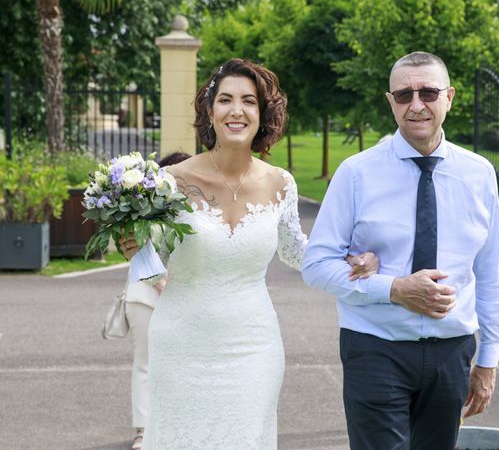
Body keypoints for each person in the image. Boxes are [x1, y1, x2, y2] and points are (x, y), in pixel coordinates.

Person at [119, 58, 379, 449]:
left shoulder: (281, 183)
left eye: (248, 101)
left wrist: (350, 259)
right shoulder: (171, 182)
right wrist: (135, 251)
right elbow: (150, 267)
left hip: (253, 346)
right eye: (225, 100)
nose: (236, 111)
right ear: (210, 111)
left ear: (263, 113)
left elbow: (296, 252)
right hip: (181, 344)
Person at [302, 51, 499, 449]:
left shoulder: (479, 174)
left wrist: (488, 361)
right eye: (403, 95)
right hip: (375, 346)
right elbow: (316, 264)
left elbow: (490, 273)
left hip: (452, 352)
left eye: (428, 92)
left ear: (449, 97)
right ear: (390, 101)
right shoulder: (356, 173)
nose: (416, 105)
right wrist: (393, 288)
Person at [123, 151, 190, 450]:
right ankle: (143, 431)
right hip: (144, 296)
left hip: (182, 298)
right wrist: (160, 282)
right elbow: (133, 248)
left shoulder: (192, 210)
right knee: (146, 362)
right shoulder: (145, 207)